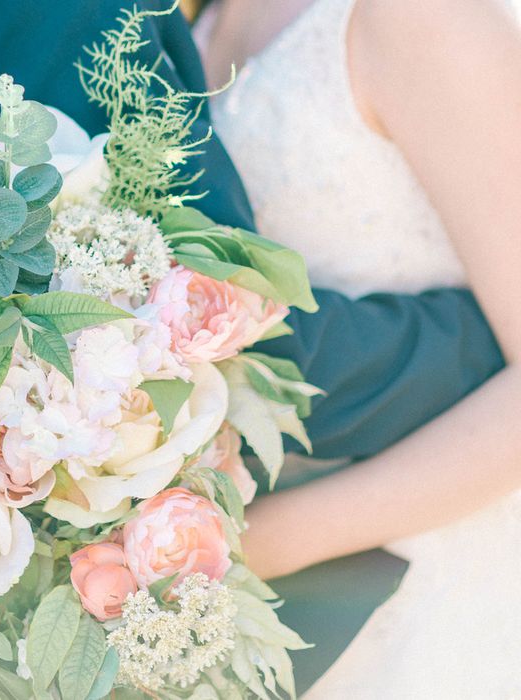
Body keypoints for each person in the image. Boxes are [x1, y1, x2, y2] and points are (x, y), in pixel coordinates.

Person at [0, 0, 505, 696]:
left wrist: (258, 545)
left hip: (402, 558)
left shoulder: (423, 16)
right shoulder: (199, 22)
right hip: (261, 592)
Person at [194, 0, 521, 695]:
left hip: (427, 572)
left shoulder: (420, 17)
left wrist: (258, 541)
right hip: (261, 609)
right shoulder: (183, 29)